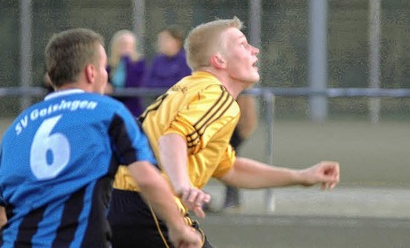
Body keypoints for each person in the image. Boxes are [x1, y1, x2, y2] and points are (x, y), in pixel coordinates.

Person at [108, 17, 340, 247]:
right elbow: (173, 137)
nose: (254, 50)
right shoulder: (217, 95)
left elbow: (228, 168)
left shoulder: (192, 88)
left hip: (119, 201)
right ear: (219, 60)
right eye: (242, 44)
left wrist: (301, 176)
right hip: (150, 204)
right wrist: (183, 186)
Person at [0, 28, 203, 247]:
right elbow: (146, 178)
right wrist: (179, 228)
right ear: (91, 72)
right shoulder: (107, 112)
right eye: (103, 67)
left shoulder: (17, 127)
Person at [107, 29, 146, 117]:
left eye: (128, 44)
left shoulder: (139, 63)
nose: (125, 47)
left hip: (132, 107)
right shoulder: (110, 65)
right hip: (113, 105)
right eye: (122, 44)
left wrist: (126, 60)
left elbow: (132, 84)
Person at [143, 25, 192, 92]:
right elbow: (148, 83)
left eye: (165, 39)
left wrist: (162, 84)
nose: (161, 43)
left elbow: (183, 83)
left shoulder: (186, 61)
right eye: (159, 40)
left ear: (177, 41)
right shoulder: (157, 60)